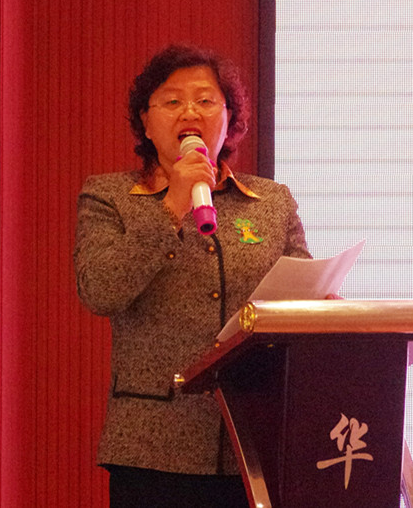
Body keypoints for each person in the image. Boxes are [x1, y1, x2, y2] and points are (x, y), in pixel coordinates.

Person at [74, 44, 311, 508]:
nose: (190, 111)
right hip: (153, 450)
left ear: (230, 118)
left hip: (257, 443)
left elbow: (305, 299)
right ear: (146, 122)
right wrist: (171, 206)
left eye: (205, 100)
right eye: (172, 100)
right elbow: (100, 288)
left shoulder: (272, 202)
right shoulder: (109, 197)